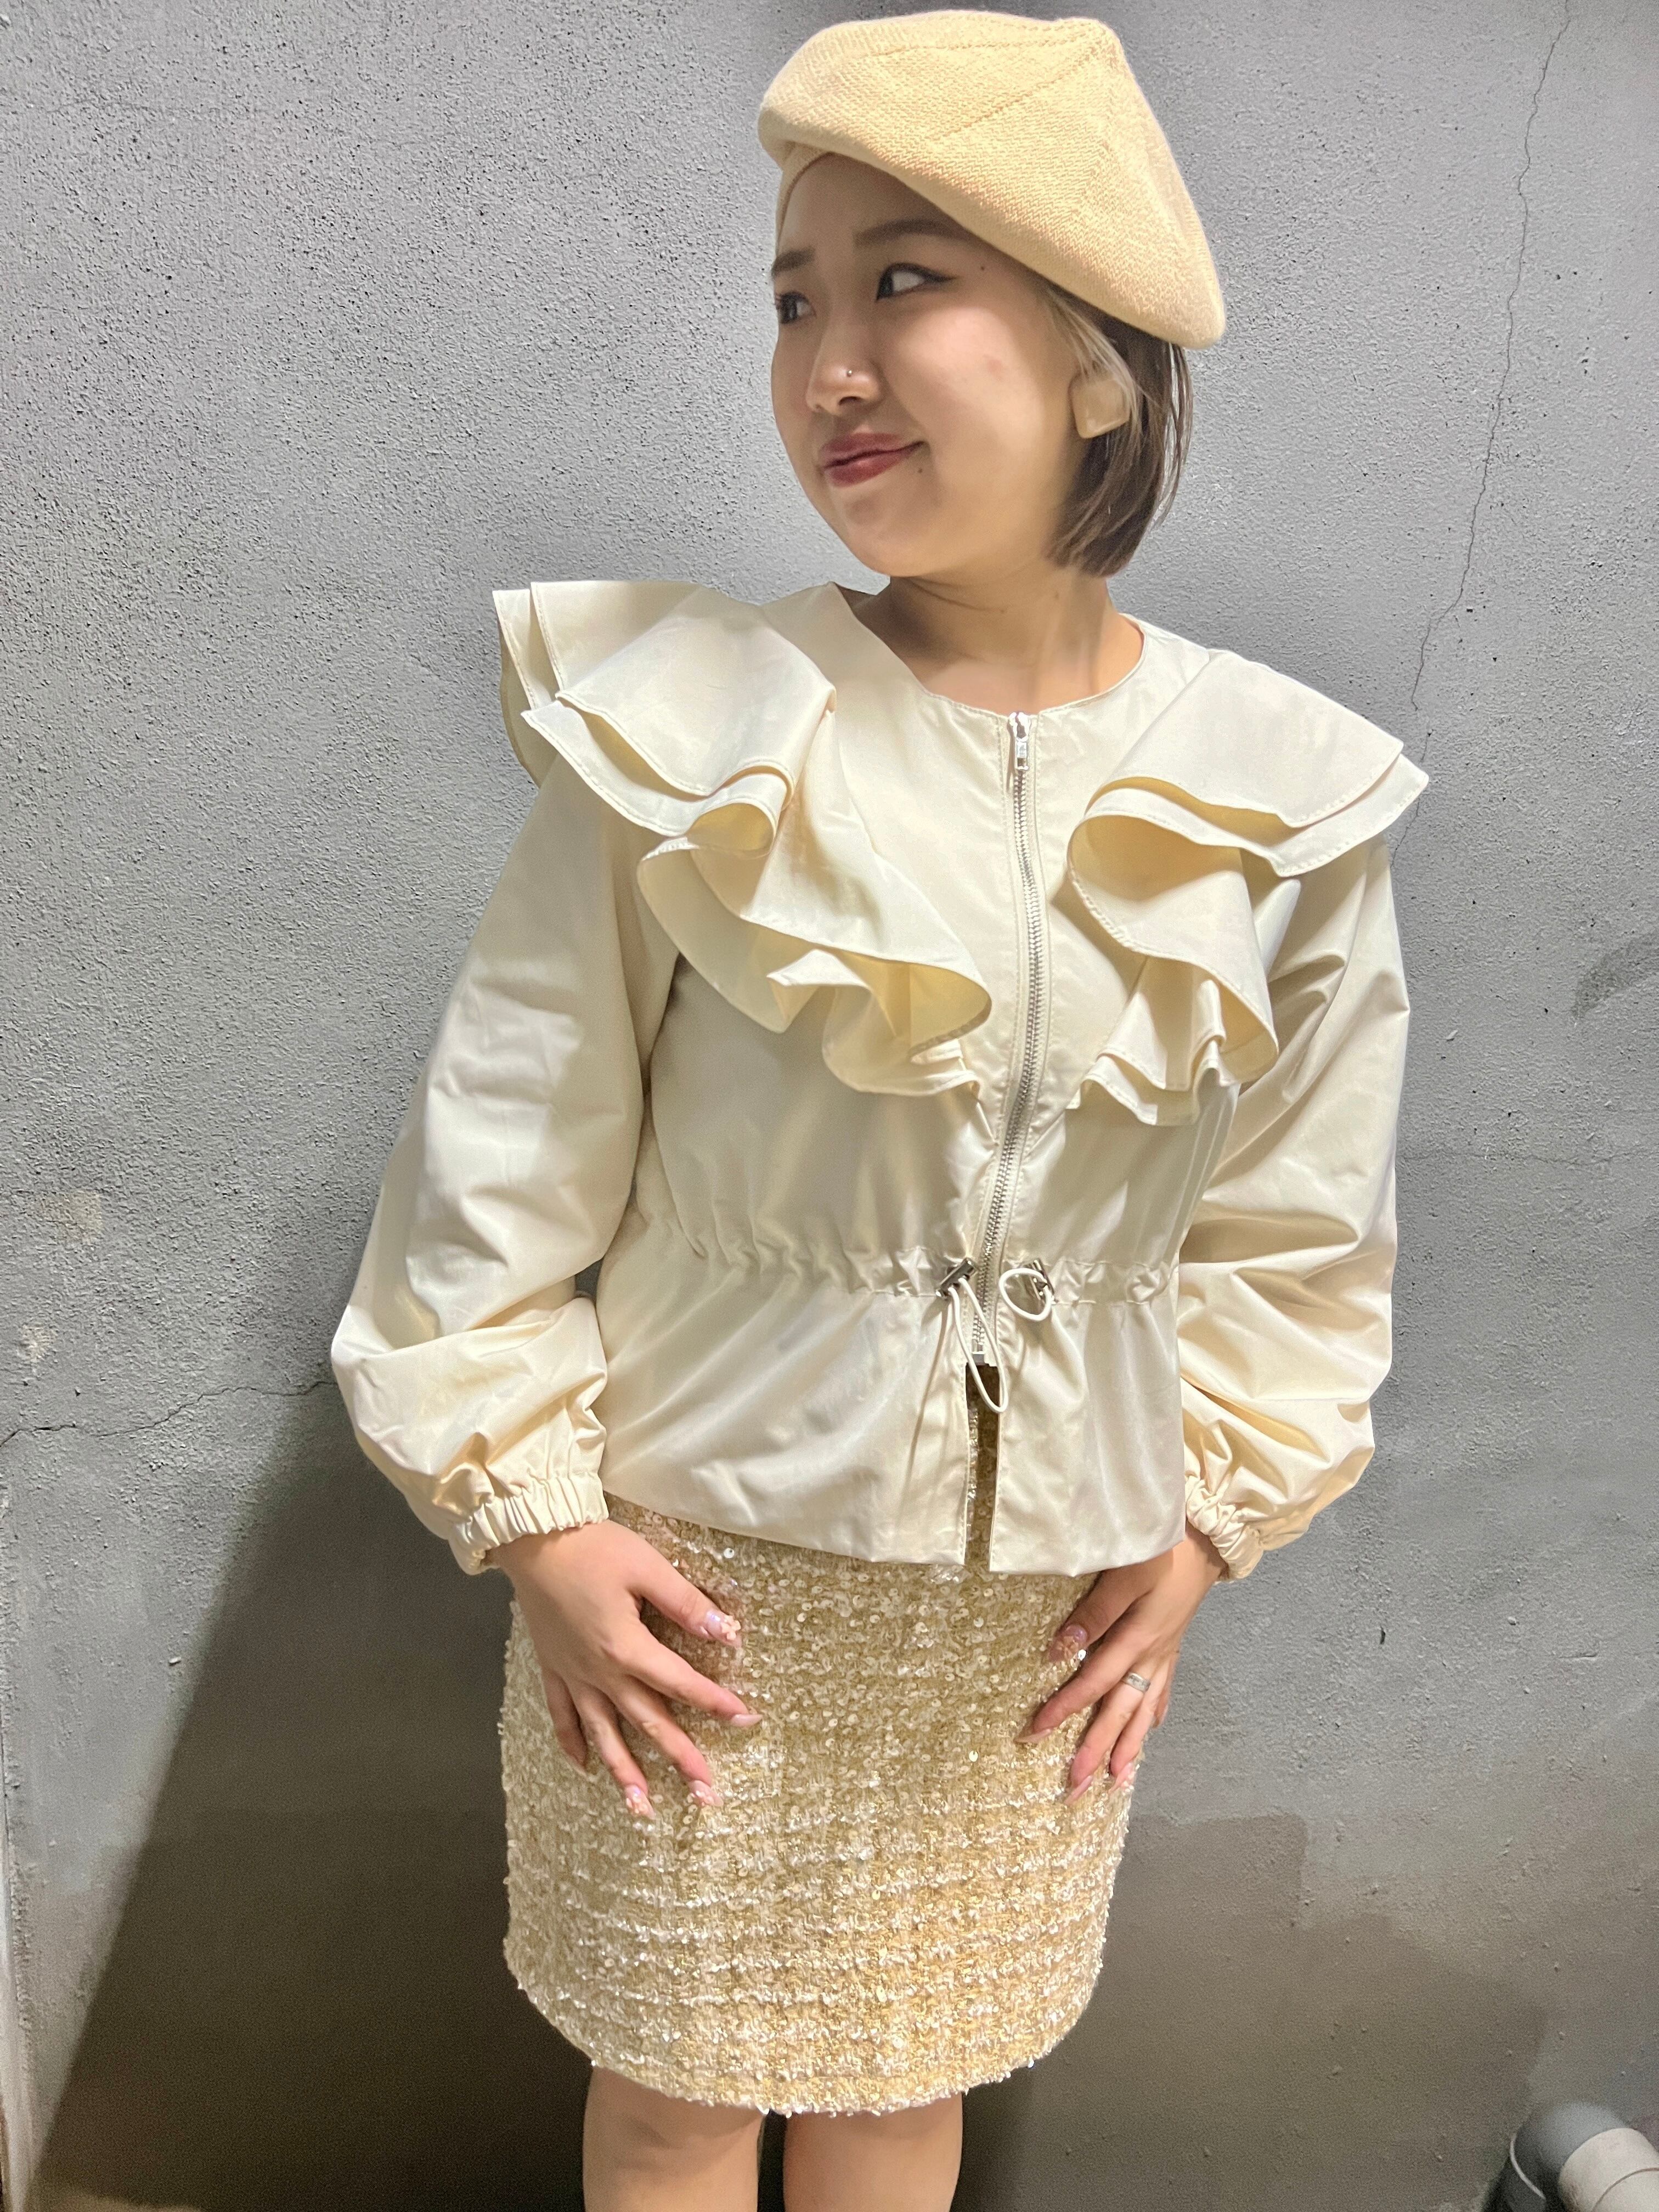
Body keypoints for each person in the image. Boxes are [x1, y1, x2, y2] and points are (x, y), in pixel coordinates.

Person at [330, 12, 1427, 2208]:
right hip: (692, 1580)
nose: (829, 362)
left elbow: (1302, 1227)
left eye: (905, 281)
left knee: (913, 2085)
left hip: (1036, 1620)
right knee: (673, 2094)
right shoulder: (691, 732)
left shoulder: (1280, 799)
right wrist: (538, 1520)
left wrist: (1206, 1524)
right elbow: (498, 1162)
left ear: (1101, 357)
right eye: (792, 297)